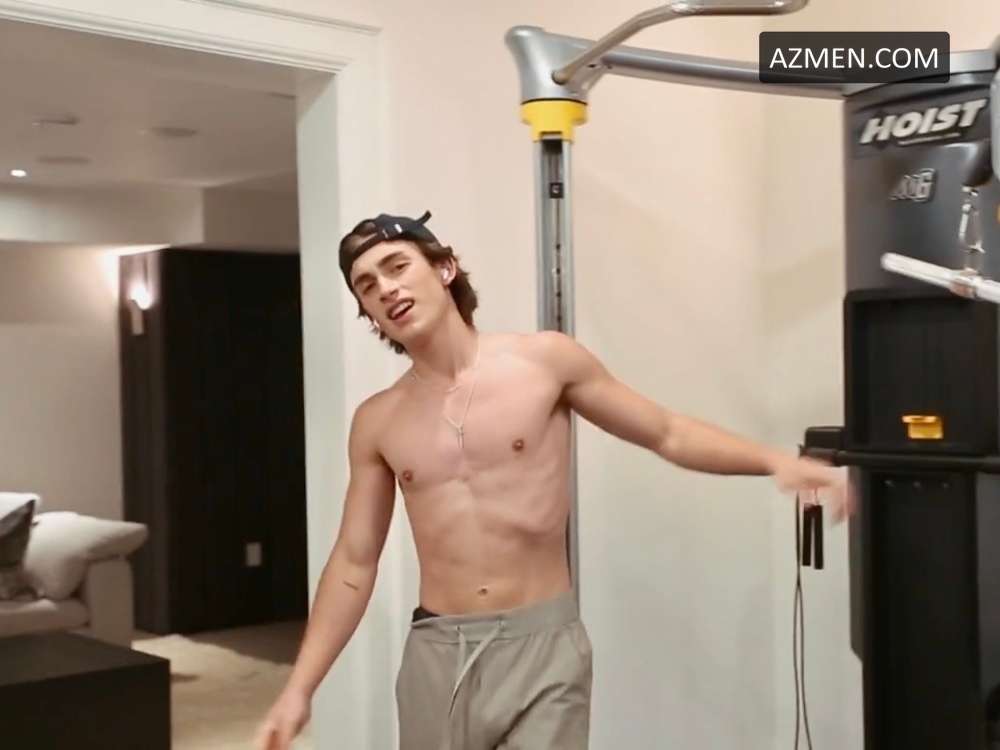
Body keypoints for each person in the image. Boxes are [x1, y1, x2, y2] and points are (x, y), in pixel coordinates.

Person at [255, 211, 852, 750]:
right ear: (368, 314)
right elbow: (354, 561)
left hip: (544, 644)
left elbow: (667, 431)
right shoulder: (378, 420)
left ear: (444, 268)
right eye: (366, 286)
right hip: (438, 651)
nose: (385, 288)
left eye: (396, 266)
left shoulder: (543, 362)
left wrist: (775, 461)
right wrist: (300, 689)